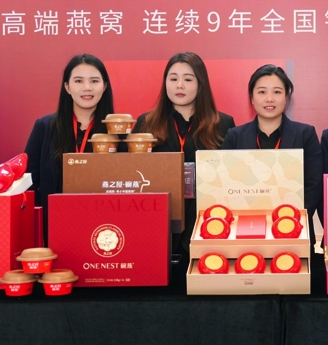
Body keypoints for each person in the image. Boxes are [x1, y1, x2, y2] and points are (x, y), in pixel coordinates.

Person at [133, 52, 235, 253]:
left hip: (206, 222)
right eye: (173, 79)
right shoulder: (146, 124)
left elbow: (230, 179)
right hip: (157, 222)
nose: (179, 85)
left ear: (200, 84)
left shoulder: (222, 124)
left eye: (188, 79)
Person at [25, 54, 115, 240]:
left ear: (104, 86)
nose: (87, 87)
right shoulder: (44, 127)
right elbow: (29, 183)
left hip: (104, 228)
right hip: (53, 227)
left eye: (94, 81)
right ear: (67, 87)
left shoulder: (116, 131)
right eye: (78, 81)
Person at [222, 64, 322, 220]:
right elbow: (225, 185)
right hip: (246, 225)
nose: (269, 99)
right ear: (252, 98)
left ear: (286, 97)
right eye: (262, 92)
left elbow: (313, 185)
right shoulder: (234, 136)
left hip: (294, 225)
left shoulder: (305, 134)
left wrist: (291, 219)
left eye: (277, 92)